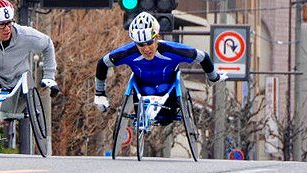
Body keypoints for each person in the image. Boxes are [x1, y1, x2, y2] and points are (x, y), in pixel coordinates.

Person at [93, 12, 227, 122]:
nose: (146, 48)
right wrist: (100, 94)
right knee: (143, 92)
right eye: (140, 44)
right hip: (142, 91)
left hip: (168, 91)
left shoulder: (172, 50)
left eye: (149, 42)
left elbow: (203, 56)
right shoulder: (128, 52)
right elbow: (102, 63)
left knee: (165, 118)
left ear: (157, 37)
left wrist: (213, 77)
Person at [0, 0, 59, 145]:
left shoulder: (25, 35)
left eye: (9, 23)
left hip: (19, 85)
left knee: (23, 79)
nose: (7, 28)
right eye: (2, 25)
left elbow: (47, 44)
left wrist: (49, 76)